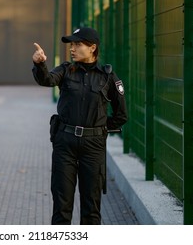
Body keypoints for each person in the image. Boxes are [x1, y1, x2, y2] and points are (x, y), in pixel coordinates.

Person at [31, 27, 127, 225]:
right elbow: (47, 80)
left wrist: (98, 127)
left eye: (77, 44)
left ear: (92, 48)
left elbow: (120, 115)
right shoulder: (66, 70)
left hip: (93, 147)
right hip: (64, 143)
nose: (72, 48)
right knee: (61, 205)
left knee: (91, 208)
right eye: (71, 44)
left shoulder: (107, 76)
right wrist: (40, 64)